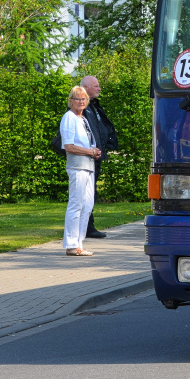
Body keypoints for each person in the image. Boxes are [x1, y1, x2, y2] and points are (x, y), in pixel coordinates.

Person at [61, 85, 102, 256]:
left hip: (88, 166)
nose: (81, 102)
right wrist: (90, 152)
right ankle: (71, 244)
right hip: (77, 166)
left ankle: (79, 243)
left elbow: (86, 142)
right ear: (71, 101)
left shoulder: (83, 119)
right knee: (76, 204)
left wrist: (95, 151)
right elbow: (69, 146)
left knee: (87, 204)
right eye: (77, 99)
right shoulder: (69, 118)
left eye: (84, 99)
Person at [81, 75, 118, 239]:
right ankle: (87, 227)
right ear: (86, 88)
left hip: (95, 157)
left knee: (91, 193)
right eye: (96, 86)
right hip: (87, 158)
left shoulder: (93, 107)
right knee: (85, 193)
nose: (99, 88)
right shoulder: (82, 109)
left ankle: (87, 226)